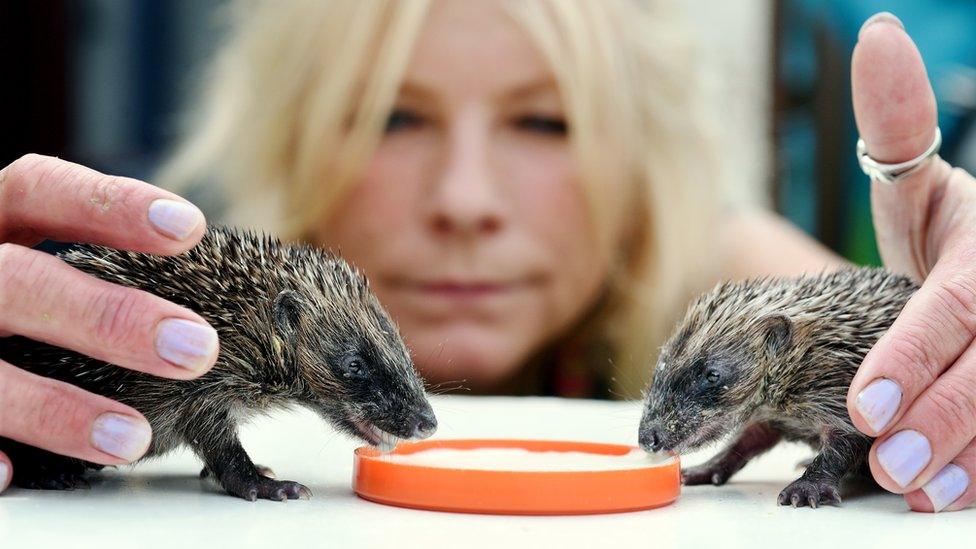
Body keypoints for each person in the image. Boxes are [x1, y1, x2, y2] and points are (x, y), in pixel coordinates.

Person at [0, 1, 970, 512]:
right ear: (289, 137)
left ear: (642, 170)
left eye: (544, 121)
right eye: (394, 115)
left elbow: (823, 316)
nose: (465, 200)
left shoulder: (741, 297)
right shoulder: (169, 299)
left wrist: (942, 343)